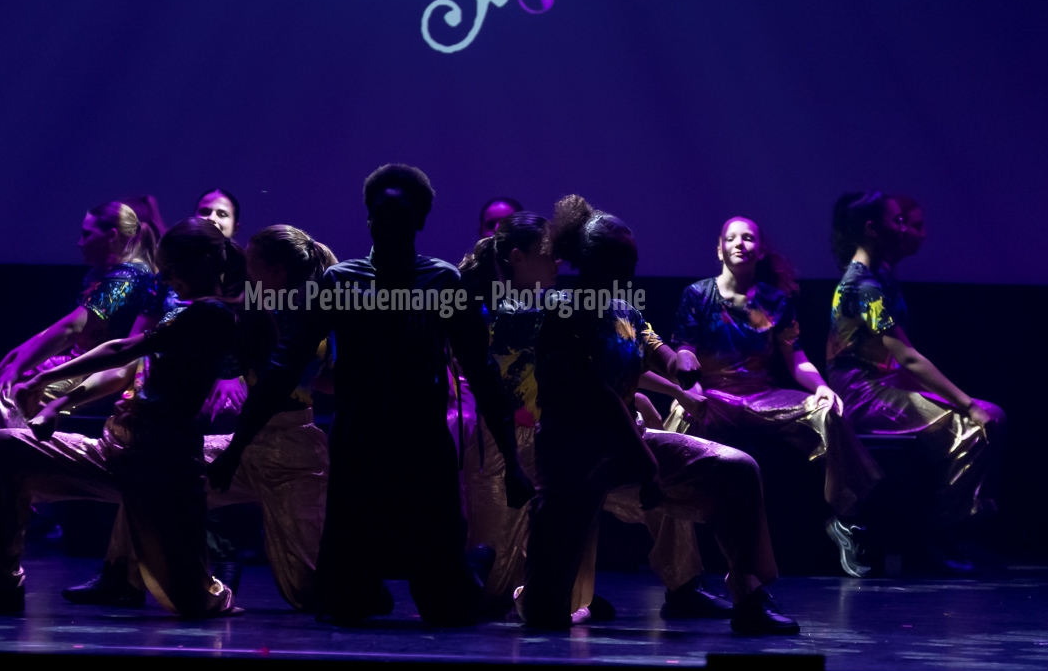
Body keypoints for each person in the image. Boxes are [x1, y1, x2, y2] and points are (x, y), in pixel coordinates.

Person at [211, 165, 531, 626]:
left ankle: (468, 566)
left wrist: (513, 463)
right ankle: (382, 580)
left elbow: (482, 373)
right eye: (380, 214)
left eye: (398, 216)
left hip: (424, 452)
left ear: (419, 221)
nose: (386, 224)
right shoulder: (340, 282)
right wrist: (236, 448)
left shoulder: (442, 282)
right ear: (368, 219)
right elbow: (284, 368)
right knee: (343, 608)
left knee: (449, 609)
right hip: (359, 449)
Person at [516, 196, 798, 635]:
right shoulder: (560, 309)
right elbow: (598, 395)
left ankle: (749, 595)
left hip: (624, 447)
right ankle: (531, 594)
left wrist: (677, 362)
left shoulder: (622, 309)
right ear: (590, 260)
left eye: (632, 260)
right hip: (573, 461)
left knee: (738, 470)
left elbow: (652, 346)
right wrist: (645, 460)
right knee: (544, 616)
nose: (630, 269)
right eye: (620, 260)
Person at [0, 220, 250, 617]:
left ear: (203, 263)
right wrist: (55, 403)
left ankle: (213, 586)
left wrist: (44, 377)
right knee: (7, 449)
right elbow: (125, 368)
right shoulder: (184, 312)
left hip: (163, 468)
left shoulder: (211, 314)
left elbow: (121, 350)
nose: (165, 279)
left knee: (193, 600)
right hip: (117, 450)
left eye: (172, 269)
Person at [459, 212, 715, 622]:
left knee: (649, 480)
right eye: (549, 253)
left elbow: (614, 362)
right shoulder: (509, 314)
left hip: (568, 438)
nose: (559, 260)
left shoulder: (573, 307)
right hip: (514, 441)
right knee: (492, 590)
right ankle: (545, 594)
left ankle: (683, 585)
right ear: (518, 258)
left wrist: (671, 385)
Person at [647, 216, 882, 577]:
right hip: (715, 396)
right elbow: (685, 350)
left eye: (748, 238)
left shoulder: (775, 300)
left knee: (828, 411)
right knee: (680, 414)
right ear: (720, 249)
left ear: (759, 250)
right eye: (731, 238)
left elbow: (796, 358)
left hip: (763, 397)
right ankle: (671, 537)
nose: (740, 244)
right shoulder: (698, 294)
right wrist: (691, 389)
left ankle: (846, 520)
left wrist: (822, 387)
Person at [825, 192, 1006, 573]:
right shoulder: (863, 287)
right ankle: (938, 537)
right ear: (871, 229)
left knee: (991, 415)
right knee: (975, 427)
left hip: (883, 385)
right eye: (896, 221)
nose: (904, 228)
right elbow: (906, 356)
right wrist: (966, 405)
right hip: (863, 393)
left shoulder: (880, 277)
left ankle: (955, 531)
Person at [200, 225, 337, 611]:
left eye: (251, 263)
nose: (244, 270)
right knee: (163, 475)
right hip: (263, 440)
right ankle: (122, 573)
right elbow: (325, 380)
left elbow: (271, 391)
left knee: (307, 590)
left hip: (288, 448)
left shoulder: (291, 318)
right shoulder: (286, 309)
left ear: (276, 273)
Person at [0, 201, 159, 477]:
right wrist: (19, 354)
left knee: (13, 392)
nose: (79, 242)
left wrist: (19, 367)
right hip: (83, 363)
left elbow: (72, 328)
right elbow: (65, 326)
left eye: (87, 234)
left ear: (111, 235)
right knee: (5, 374)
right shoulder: (105, 274)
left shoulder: (128, 276)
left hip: (100, 370)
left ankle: (13, 478)